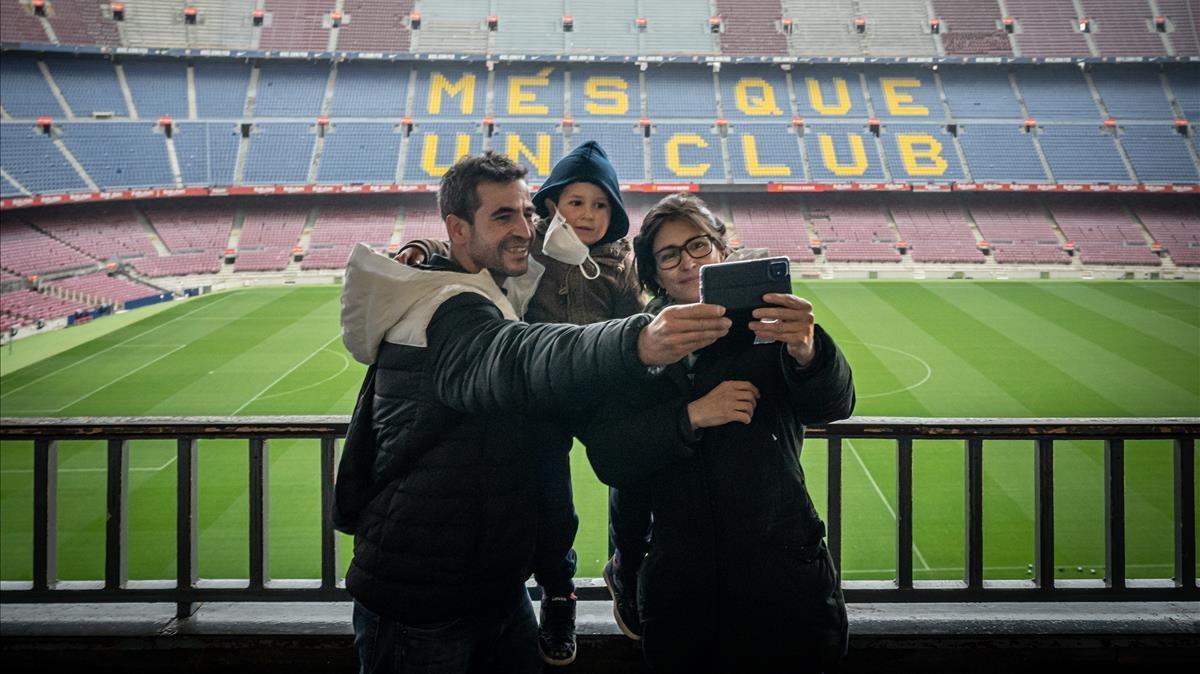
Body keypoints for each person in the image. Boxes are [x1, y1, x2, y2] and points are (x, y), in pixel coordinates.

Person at [333, 153, 731, 674]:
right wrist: (638, 341)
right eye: (504, 216)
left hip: (492, 586)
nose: (525, 229)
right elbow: (516, 357)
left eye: (527, 213)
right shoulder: (448, 309)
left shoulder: (487, 283)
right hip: (424, 603)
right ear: (458, 228)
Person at [580, 193, 855, 673]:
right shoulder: (637, 346)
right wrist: (691, 416)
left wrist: (809, 350)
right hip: (683, 587)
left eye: (699, 245)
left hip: (784, 577)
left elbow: (834, 404)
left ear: (721, 252)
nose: (688, 261)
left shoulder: (770, 329)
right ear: (653, 274)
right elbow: (610, 457)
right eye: (670, 255)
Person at [393, 140, 643, 665]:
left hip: (597, 390)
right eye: (576, 203)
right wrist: (419, 246)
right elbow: (461, 250)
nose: (589, 216)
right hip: (540, 388)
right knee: (551, 497)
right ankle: (559, 590)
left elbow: (637, 316)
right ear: (551, 206)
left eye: (601, 205)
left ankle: (631, 566)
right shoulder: (527, 246)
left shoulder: (621, 261)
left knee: (637, 468)